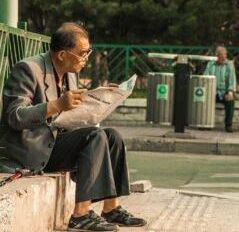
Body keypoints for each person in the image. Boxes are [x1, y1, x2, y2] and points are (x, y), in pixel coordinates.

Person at [2, 22, 146, 231]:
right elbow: (14, 116)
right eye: (82, 53)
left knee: (112, 135)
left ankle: (111, 208)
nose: (86, 58)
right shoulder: (28, 69)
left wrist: (101, 97)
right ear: (62, 55)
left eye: (88, 52)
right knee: (94, 136)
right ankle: (81, 215)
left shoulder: (70, 72)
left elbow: (72, 110)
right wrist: (56, 105)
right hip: (35, 148)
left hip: (56, 139)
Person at [204, 46, 236, 132]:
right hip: (212, 91)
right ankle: (205, 123)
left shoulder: (229, 64)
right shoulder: (210, 64)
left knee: (230, 101)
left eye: (225, 54)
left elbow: (231, 81)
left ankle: (228, 125)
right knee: (205, 100)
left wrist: (230, 92)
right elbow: (205, 77)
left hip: (225, 91)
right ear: (216, 56)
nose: (223, 57)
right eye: (221, 55)